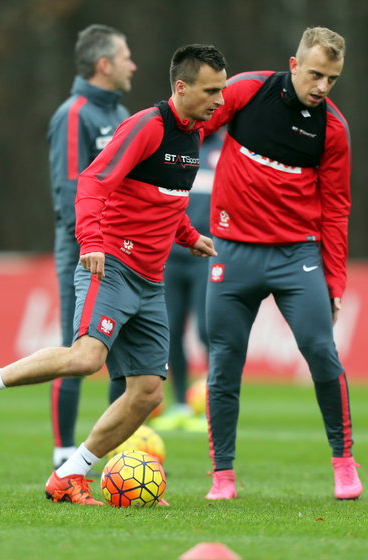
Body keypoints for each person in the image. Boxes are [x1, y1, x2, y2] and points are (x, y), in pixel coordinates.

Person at [0, 44, 228, 506]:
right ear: (181, 87)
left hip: (150, 281)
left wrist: (189, 236)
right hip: (112, 263)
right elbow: (94, 181)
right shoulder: (146, 126)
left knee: (148, 392)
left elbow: (164, 201)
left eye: (223, 89)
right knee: (85, 358)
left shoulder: (192, 136)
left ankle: (69, 475)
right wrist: (91, 241)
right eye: (211, 89)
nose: (220, 98)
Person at [199, 27, 362, 500]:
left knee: (321, 351)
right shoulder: (249, 91)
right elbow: (192, 122)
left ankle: (344, 462)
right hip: (232, 251)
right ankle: (222, 477)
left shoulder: (333, 129)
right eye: (316, 74)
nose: (323, 86)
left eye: (333, 79)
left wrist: (335, 282)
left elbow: (336, 209)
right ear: (293, 65)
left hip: (298, 256)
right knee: (224, 364)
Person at [46, 24, 136, 470]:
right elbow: (69, 189)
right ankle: (63, 451)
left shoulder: (123, 115)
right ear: (105, 65)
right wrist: (90, 244)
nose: (133, 65)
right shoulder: (74, 114)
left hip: (128, 252)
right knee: (76, 349)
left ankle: (105, 449)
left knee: (124, 354)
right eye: (126, 58)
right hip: (85, 251)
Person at [151, 132, 223, 433]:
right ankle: (181, 403)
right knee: (169, 329)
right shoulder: (174, 147)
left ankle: (214, 406)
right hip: (171, 252)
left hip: (209, 251)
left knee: (209, 330)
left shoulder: (226, 150)